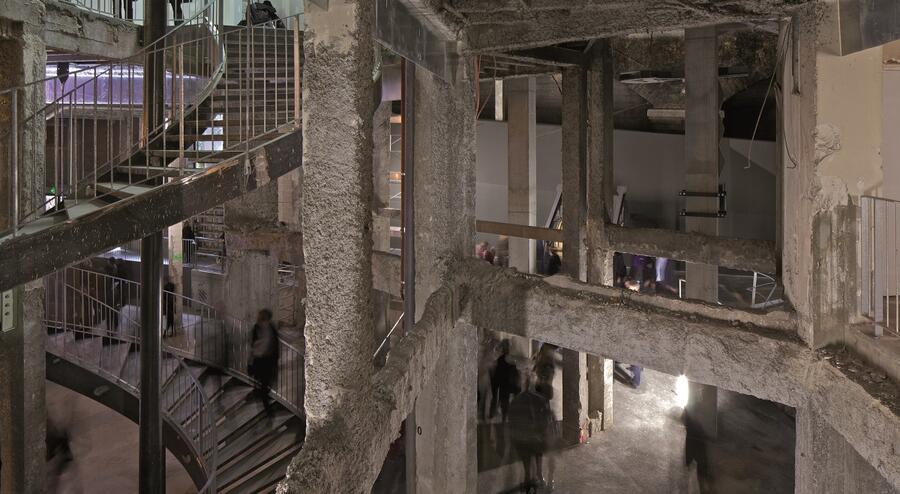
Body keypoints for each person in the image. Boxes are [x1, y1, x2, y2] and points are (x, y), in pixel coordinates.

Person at [508, 379, 554, 494]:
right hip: (533, 437)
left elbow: (511, 420)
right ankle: (538, 476)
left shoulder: (516, 400)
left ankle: (529, 479)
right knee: (537, 456)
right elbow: (545, 419)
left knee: (527, 461)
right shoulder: (540, 400)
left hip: (521, 437)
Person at [249, 309, 280, 416]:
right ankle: (267, 409)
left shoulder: (271, 328)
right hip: (260, 361)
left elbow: (275, 345)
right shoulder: (256, 328)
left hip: (268, 362)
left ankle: (265, 404)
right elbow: (253, 345)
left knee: (266, 385)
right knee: (263, 385)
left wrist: (275, 360)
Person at [490, 339, 520, 422]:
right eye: (508, 346)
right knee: (505, 403)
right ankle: (504, 417)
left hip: (505, 385)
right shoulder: (509, 360)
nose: (509, 348)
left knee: (504, 403)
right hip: (506, 385)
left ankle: (504, 417)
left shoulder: (501, 360)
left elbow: (497, 375)